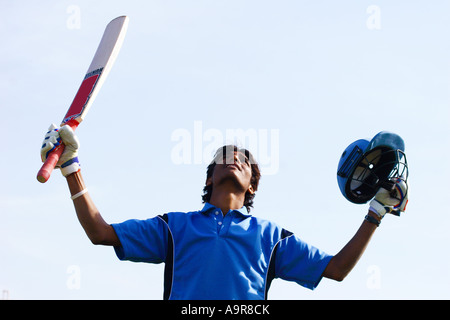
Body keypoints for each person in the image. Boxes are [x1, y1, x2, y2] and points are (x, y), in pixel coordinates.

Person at [40, 124, 408, 300]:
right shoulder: (174, 228)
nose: (234, 159)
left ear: (252, 186)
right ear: (210, 176)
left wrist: (375, 212)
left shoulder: (272, 238)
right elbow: (99, 232)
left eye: (244, 160)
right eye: (225, 157)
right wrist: (72, 167)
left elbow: (336, 270)